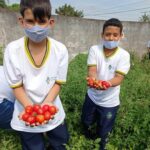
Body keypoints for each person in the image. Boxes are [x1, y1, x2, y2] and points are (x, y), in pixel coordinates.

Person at [3, 0, 69, 150]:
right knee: (33, 147)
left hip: (52, 109)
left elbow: (58, 82)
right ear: (21, 21)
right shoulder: (13, 50)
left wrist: (47, 104)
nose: (36, 27)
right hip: (25, 110)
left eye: (42, 21)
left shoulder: (60, 50)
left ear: (50, 22)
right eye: (30, 21)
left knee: (60, 141)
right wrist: (30, 109)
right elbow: (16, 85)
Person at [81, 18, 130, 150]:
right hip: (92, 96)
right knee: (86, 123)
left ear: (121, 36)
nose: (111, 38)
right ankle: (86, 143)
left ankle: (101, 146)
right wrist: (94, 80)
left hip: (110, 102)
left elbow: (119, 78)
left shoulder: (124, 55)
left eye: (115, 35)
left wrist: (105, 84)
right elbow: (92, 70)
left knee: (104, 132)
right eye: (108, 34)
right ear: (102, 35)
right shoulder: (94, 50)